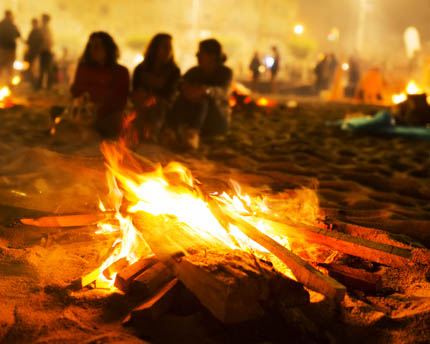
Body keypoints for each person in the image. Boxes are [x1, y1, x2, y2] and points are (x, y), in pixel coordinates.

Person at [165, 38, 233, 150]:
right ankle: (171, 131)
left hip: (217, 121)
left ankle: (192, 135)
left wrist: (205, 90)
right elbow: (179, 83)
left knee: (203, 99)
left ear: (212, 56)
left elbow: (223, 92)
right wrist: (185, 88)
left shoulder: (225, 72)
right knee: (183, 97)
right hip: (196, 117)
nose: (197, 55)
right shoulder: (194, 71)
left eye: (201, 53)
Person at [70, 31, 129, 139]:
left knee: (118, 121)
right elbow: (76, 90)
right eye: (91, 46)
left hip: (108, 117)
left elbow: (120, 100)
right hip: (84, 115)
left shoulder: (120, 72)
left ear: (108, 48)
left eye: (98, 46)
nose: (94, 49)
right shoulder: (84, 68)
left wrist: (99, 106)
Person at [132, 33, 180, 141]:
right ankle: (137, 134)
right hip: (142, 103)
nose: (167, 50)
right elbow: (135, 90)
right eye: (164, 47)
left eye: (169, 47)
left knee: (157, 105)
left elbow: (169, 94)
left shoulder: (173, 71)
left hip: (163, 107)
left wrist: (151, 97)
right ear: (155, 48)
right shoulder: (141, 69)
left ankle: (152, 133)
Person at [0, 10, 20, 84]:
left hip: (2, 49)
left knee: (1, 66)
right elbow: (18, 35)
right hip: (10, 49)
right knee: (9, 67)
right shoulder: (12, 25)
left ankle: (3, 82)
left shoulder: (1, 24)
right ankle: (8, 83)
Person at [37, 14, 54, 90]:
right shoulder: (46, 29)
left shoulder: (45, 29)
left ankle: (45, 86)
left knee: (45, 69)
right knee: (44, 69)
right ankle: (44, 86)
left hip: (45, 51)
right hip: (45, 51)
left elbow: (45, 41)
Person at [24, 18, 43, 86]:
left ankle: (35, 84)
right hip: (32, 53)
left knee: (34, 69)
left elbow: (37, 43)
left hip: (35, 53)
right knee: (31, 69)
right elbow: (29, 42)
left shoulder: (37, 32)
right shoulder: (34, 31)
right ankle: (33, 84)